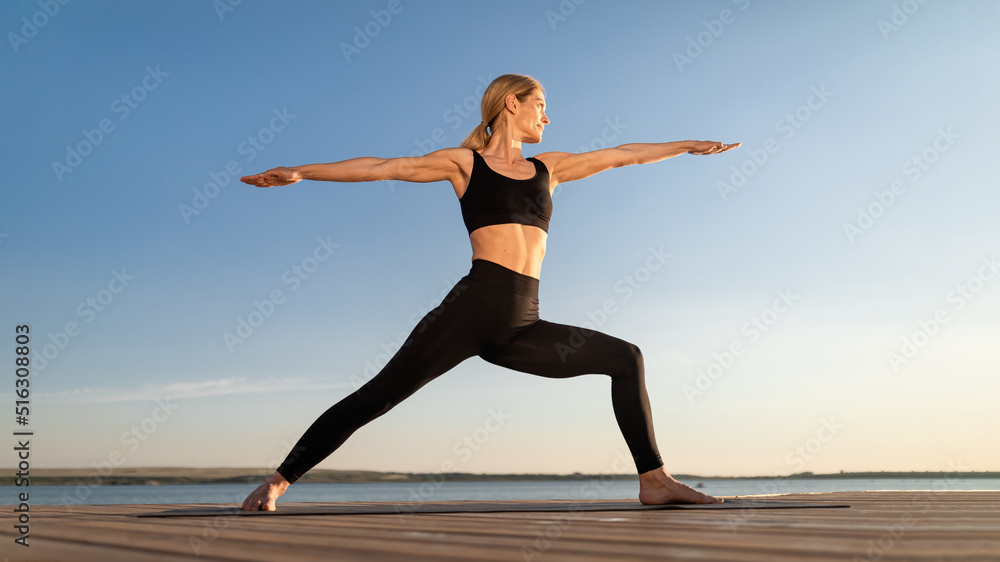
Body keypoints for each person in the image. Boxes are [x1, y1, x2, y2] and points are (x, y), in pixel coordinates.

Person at [239, 74, 739, 511]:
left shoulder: (549, 168)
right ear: (511, 104)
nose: (548, 113)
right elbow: (385, 166)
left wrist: (686, 145)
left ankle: (654, 481)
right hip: (471, 309)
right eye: (540, 102)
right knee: (379, 396)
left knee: (626, 357)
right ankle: (278, 482)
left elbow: (620, 156)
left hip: (522, 323)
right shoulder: (465, 164)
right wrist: (303, 171)